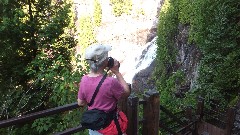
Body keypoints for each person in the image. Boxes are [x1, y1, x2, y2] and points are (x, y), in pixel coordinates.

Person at [77, 43, 130, 135]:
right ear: (106, 62)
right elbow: (126, 92)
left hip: (94, 127)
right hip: (110, 127)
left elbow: (80, 103)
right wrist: (117, 72)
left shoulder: (84, 80)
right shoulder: (110, 82)